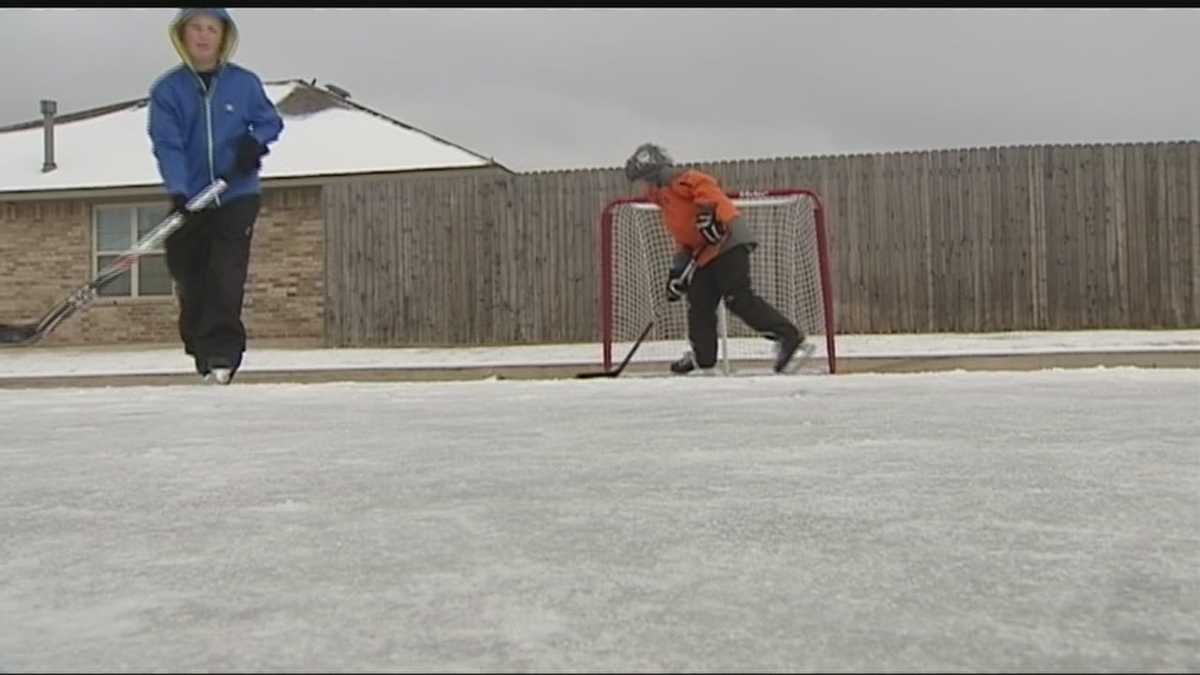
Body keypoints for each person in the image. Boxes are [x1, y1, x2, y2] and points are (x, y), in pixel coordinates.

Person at [148, 8, 283, 385]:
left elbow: (270, 121)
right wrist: (178, 190)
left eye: (212, 29)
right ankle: (200, 347)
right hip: (191, 196)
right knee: (190, 274)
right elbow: (167, 144)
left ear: (223, 37)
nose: (204, 36)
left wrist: (252, 145)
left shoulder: (244, 84)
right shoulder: (167, 91)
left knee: (225, 272)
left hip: (236, 193)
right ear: (183, 35)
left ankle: (223, 351)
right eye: (196, 28)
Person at [623, 143, 814, 375]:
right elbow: (684, 240)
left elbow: (708, 190)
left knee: (737, 298)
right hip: (703, 254)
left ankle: (790, 338)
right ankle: (703, 359)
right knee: (699, 303)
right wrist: (676, 273)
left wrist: (708, 216)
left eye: (643, 181)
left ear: (654, 175)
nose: (643, 188)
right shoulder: (665, 202)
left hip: (727, 243)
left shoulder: (684, 180)